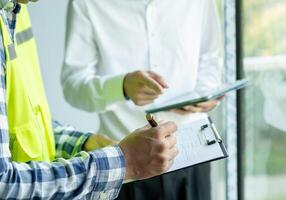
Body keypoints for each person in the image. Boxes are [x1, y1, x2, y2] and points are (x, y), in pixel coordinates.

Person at [0, 0, 179, 199]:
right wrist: (124, 162)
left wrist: (82, 143)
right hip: (122, 168)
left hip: (147, 158)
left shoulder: (16, 10)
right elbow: (3, 184)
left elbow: (24, 122)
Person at [62, 0, 223, 199]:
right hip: (126, 163)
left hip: (193, 156)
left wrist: (204, 94)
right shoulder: (86, 3)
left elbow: (211, 59)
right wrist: (121, 87)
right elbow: (72, 86)